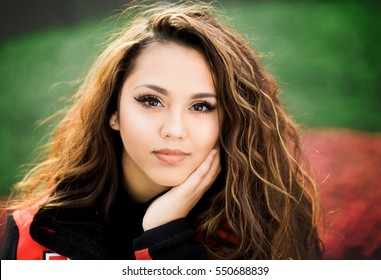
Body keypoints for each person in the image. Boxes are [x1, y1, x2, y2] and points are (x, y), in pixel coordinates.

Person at [0, 1, 322, 260]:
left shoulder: (264, 226)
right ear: (113, 111)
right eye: (151, 101)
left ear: (228, 120)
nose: (174, 129)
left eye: (201, 106)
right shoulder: (35, 234)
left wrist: (165, 238)